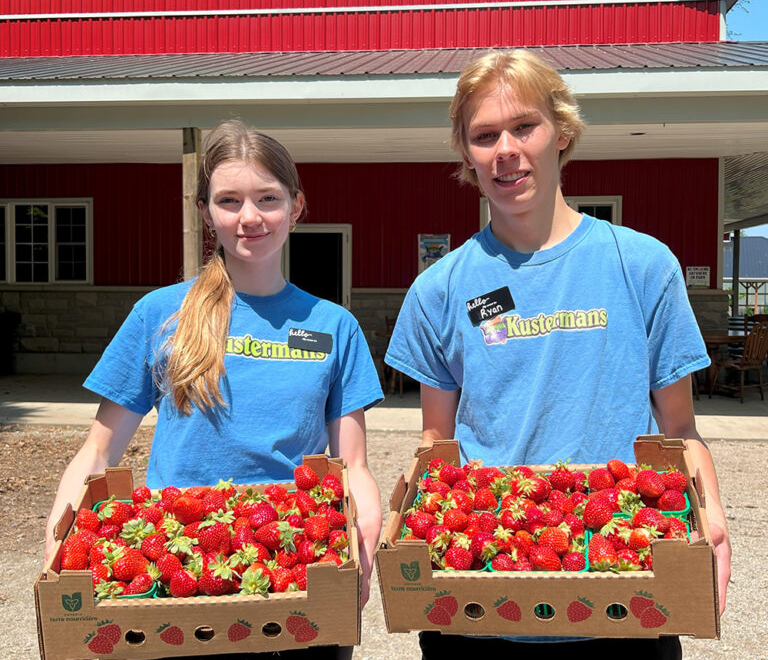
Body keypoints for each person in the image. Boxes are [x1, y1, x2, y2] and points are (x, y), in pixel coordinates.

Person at [384, 50, 731, 660]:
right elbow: (437, 450)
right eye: (484, 135)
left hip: (626, 590)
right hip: (481, 596)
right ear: (467, 155)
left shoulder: (643, 266)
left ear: (562, 132)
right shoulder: (439, 289)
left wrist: (713, 517)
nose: (506, 149)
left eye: (525, 126)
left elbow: (679, 430)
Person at [44, 120, 383, 656]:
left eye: (268, 198)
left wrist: (362, 537)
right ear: (206, 212)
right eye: (229, 200)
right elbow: (99, 449)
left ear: (296, 207)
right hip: (182, 567)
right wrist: (58, 536)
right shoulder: (161, 314)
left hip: (297, 564)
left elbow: (354, 466)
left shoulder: (333, 325)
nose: (250, 217)